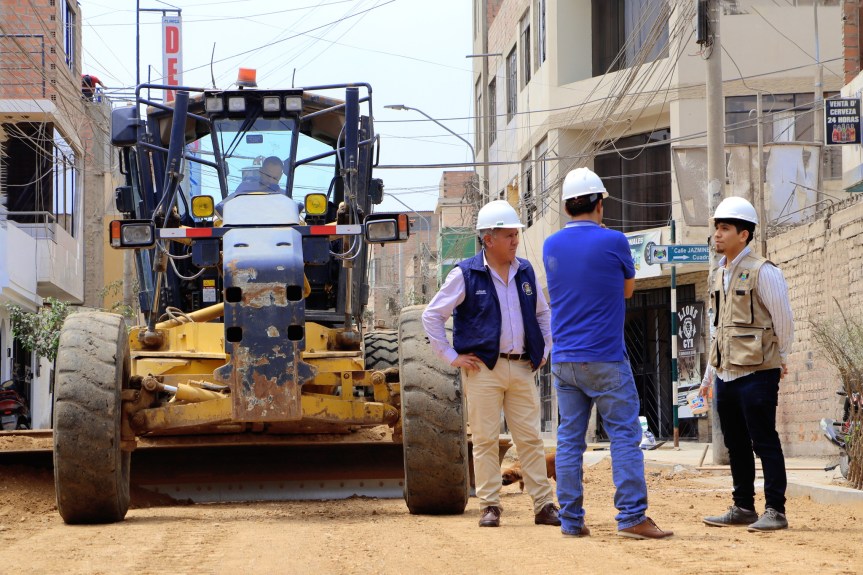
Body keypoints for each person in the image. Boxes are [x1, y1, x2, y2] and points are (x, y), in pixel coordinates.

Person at [542, 167, 673, 539]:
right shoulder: (614, 241)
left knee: (569, 441)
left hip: (565, 360)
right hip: (606, 358)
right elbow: (628, 289)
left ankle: (571, 520)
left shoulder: (550, 245)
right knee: (623, 437)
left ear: (567, 206)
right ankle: (632, 518)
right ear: (599, 204)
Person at [422, 199, 559, 528]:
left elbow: (543, 314)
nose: (515, 240)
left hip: (522, 367)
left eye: (516, 234)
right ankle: (490, 506)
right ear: (488, 239)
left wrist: (544, 350)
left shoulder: (525, 271)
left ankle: (543, 505)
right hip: (482, 370)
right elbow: (432, 316)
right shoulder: (465, 274)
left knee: (529, 439)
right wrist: (452, 357)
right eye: (509, 235)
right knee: (484, 439)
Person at [700, 196, 794, 532]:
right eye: (717, 228)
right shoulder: (719, 274)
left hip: (757, 371)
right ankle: (742, 507)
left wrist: (780, 357)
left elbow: (783, 319)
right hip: (726, 373)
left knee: (764, 439)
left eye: (725, 228)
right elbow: (717, 328)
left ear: (744, 234)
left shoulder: (763, 271)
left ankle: (775, 510)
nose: (718, 234)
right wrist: (710, 374)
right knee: (735, 443)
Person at [216, 155, 284, 217]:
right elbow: (221, 208)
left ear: (280, 176)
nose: (270, 181)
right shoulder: (245, 188)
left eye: (275, 178)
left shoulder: (284, 196)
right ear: (261, 171)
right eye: (268, 176)